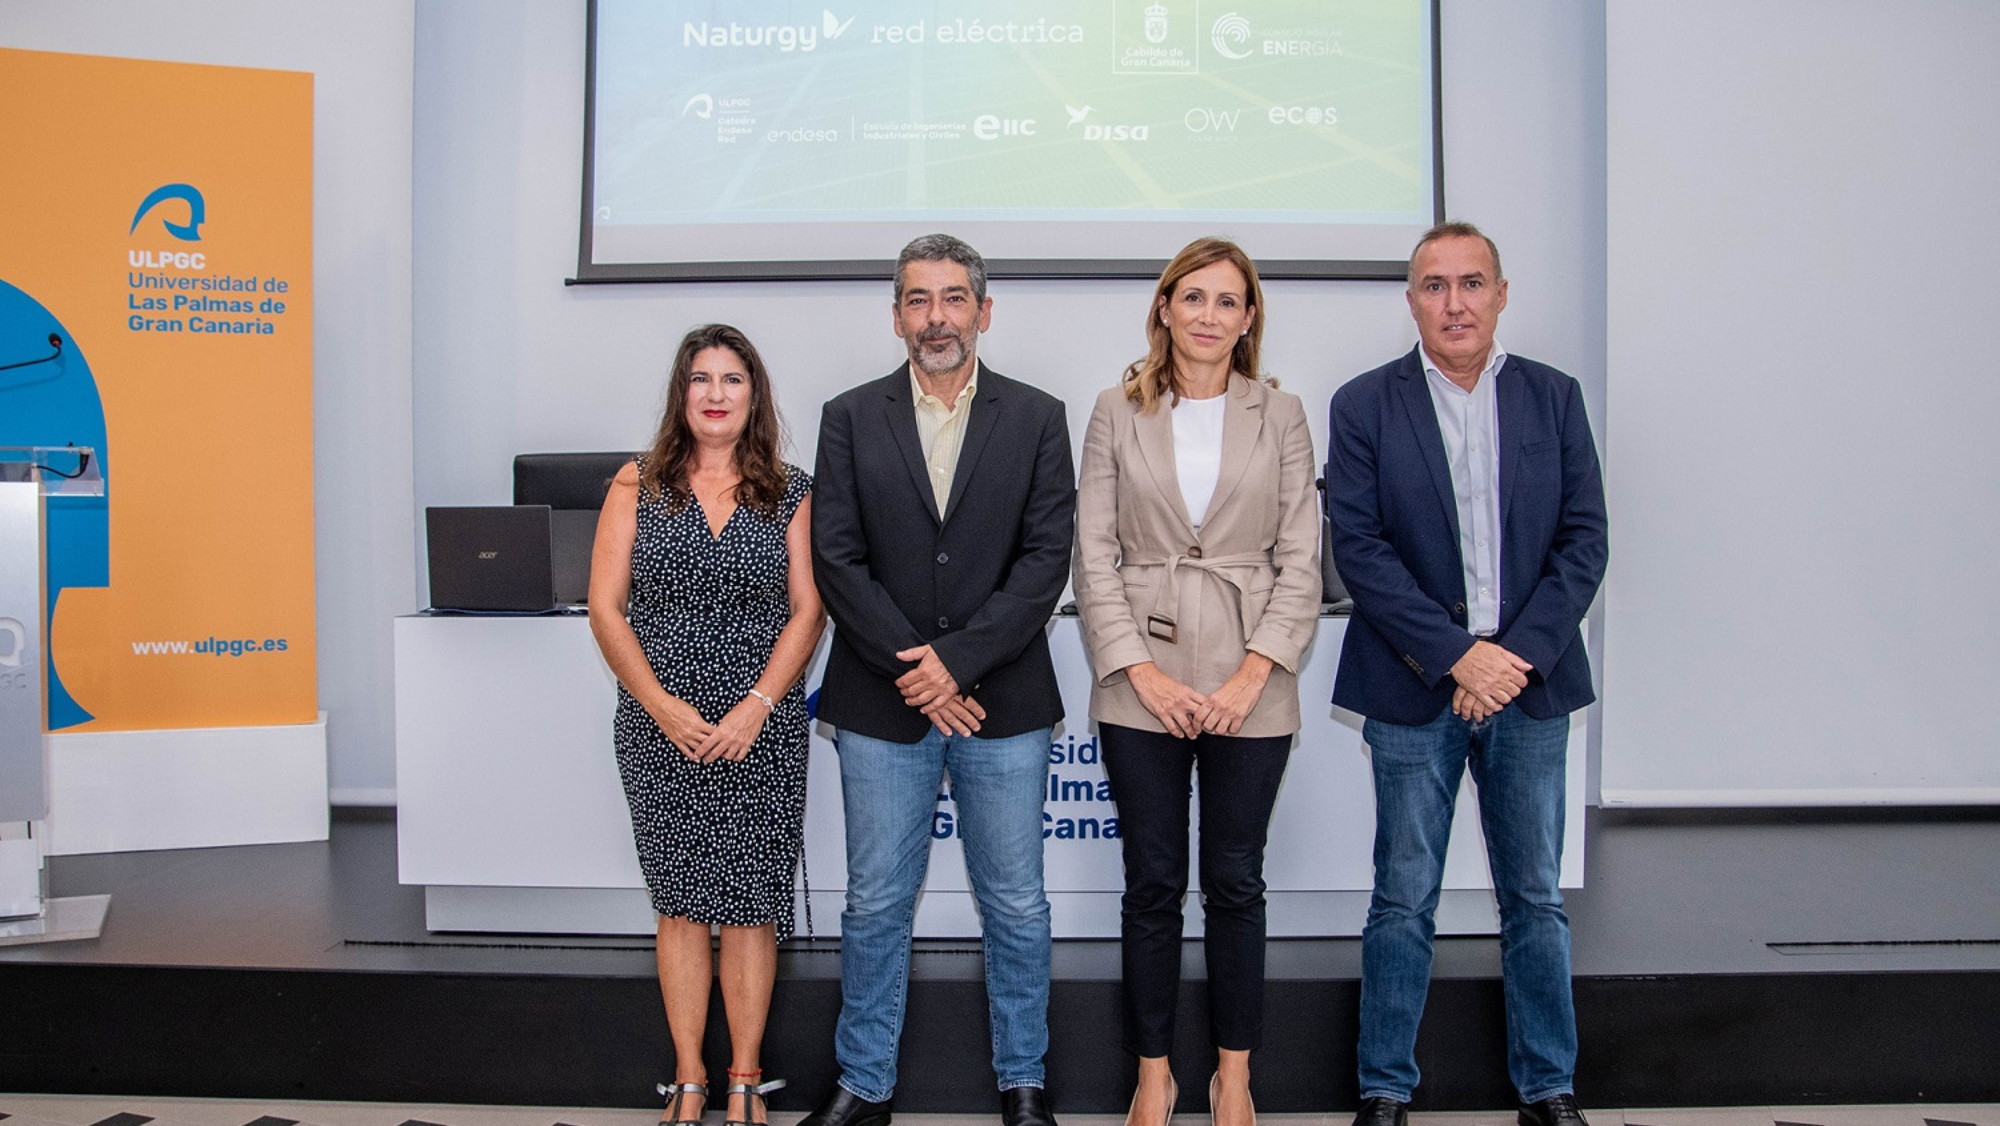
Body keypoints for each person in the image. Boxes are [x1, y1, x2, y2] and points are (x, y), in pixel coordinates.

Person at [1323, 223, 1608, 1126]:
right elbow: (1360, 554)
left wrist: (1509, 660)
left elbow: (1584, 541)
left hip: (1529, 683)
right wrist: (1457, 659)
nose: (1455, 302)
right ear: (1411, 300)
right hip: (1414, 688)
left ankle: (1548, 1087)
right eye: (1435, 286)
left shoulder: (1553, 398)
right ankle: (1383, 1089)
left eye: (1471, 283)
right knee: (1403, 894)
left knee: (1533, 896)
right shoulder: (1365, 403)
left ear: (1501, 293)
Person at [799, 234, 1075, 1126]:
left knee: (1017, 902)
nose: (937, 318)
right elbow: (836, 558)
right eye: (919, 301)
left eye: (954, 299)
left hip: (1003, 696)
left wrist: (957, 662)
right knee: (877, 900)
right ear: (897, 317)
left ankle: (1023, 1080)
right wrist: (921, 669)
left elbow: (1045, 563)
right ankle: (863, 1082)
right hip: (882, 701)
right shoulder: (848, 415)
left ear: (983, 312)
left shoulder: (1037, 415)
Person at [1071, 238, 1321, 1126]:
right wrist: (1140, 671)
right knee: (1150, 882)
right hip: (1141, 677)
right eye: (1194, 298)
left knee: (1235, 882)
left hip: (1253, 678)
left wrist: (1257, 672)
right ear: (1165, 308)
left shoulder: (1282, 414)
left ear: (1248, 318)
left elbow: (1302, 556)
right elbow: (1093, 555)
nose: (1210, 316)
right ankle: (1152, 1075)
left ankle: (1234, 1074)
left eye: (1228, 301)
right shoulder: (1114, 409)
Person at [588, 323, 825, 1126]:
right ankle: (689, 1077)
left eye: (732, 379)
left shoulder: (791, 490)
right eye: (701, 379)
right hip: (661, 726)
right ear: (680, 394)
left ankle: (745, 1079)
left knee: (754, 907)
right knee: (682, 905)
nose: (716, 394)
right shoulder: (636, 485)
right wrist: (663, 708)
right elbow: (605, 609)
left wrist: (756, 706)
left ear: (753, 395)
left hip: (761, 726)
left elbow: (809, 609)